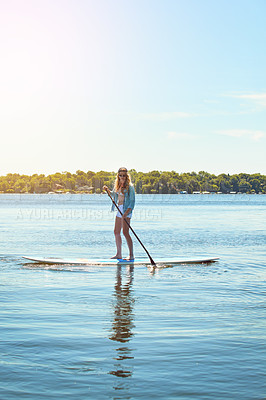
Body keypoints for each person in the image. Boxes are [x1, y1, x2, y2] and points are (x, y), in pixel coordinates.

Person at [103, 167, 135, 260]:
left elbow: (132, 202)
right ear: (118, 175)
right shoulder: (118, 185)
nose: (122, 177)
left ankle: (131, 255)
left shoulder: (130, 187)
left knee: (125, 232)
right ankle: (119, 254)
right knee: (116, 231)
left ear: (127, 176)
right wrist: (108, 191)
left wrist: (126, 212)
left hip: (126, 210)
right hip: (119, 209)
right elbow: (115, 195)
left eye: (124, 175)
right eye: (120, 175)